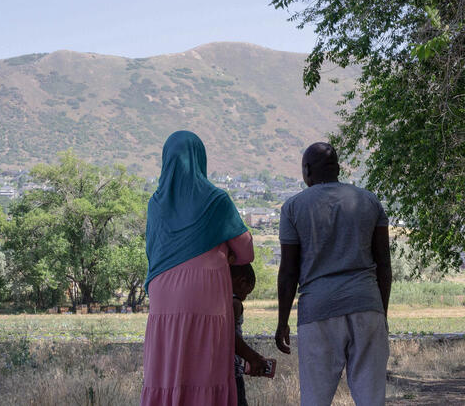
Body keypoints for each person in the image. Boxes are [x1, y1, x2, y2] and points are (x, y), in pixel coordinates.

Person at [141, 130, 255, 406]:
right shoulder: (216, 201)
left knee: (169, 365)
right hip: (206, 294)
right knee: (206, 364)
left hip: (163, 295)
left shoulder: (155, 205)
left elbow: (152, 251)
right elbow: (246, 251)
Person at [275, 142, 392, 406]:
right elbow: (384, 266)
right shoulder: (368, 201)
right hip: (367, 306)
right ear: (338, 169)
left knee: (315, 399)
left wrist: (282, 322)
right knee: (372, 399)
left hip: (317, 312)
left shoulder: (293, 207)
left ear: (307, 170)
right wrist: (380, 313)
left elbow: (289, 272)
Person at [230, 263, 268, 406]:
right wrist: (253, 358)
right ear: (242, 282)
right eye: (247, 292)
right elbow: (229, 336)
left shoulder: (216, 299)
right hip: (232, 371)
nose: (245, 297)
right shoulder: (235, 303)